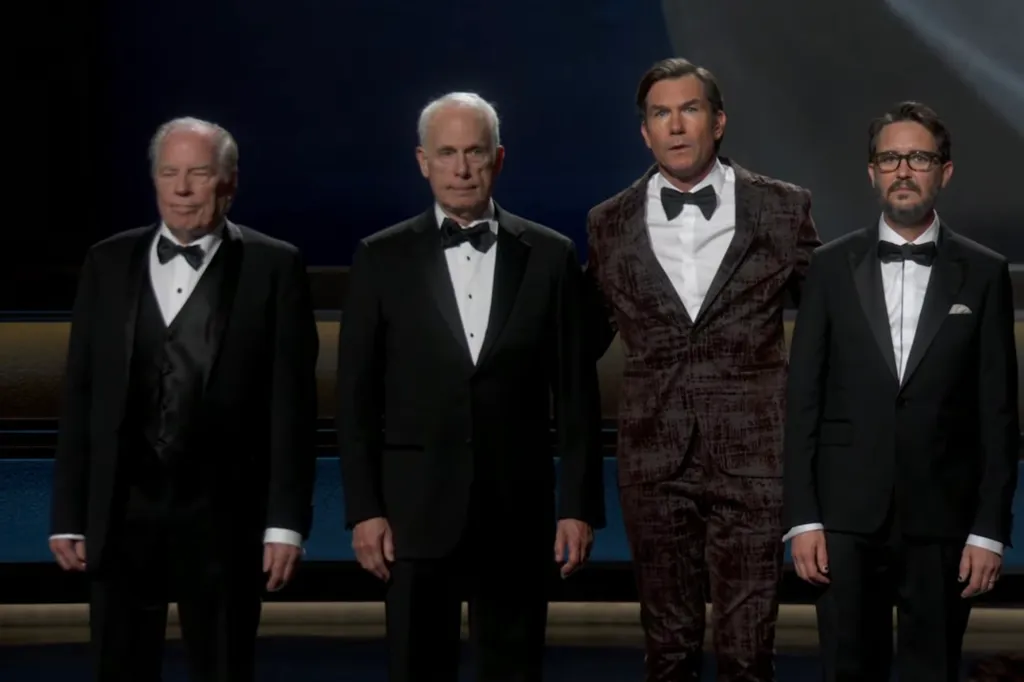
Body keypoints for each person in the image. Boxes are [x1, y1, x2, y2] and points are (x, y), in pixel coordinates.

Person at [336, 91, 605, 682]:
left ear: (498, 159)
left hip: (517, 513)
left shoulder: (550, 256)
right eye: (447, 153)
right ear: (422, 161)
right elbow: (356, 400)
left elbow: (577, 396)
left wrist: (577, 507)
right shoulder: (380, 257)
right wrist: (364, 511)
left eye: (475, 152)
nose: (461, 168)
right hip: (412, 517)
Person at [49, 117, 319, 682]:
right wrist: (68, 515)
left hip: (226, 517)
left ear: (230, 182)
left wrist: (284, 524)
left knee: (223, 666)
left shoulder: (275, 266)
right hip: (121, 512)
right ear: (153, 180)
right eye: (169, 173)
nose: (182, 188)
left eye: (198, 173)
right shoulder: (106, 262)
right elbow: (80, 396)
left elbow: (292, 409)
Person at [583, 58, 821, 681]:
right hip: (653, 461)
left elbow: (832, 325)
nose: (675, 125)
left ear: (717, 122)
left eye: (689, 110)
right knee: (668, 651)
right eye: (660, 114)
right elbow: (579, 339)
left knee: (748, 654)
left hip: (754, 459)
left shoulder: (782, 208)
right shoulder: (609, 223)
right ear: (645, 132)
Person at [783, 101, 1019, 681]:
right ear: (872, 172)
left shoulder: (985, 272)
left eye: (919, 158)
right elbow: (803, 400)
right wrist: (803, 519)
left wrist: (989, 530)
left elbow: (997, 414)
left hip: (943, 518)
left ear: (945, 171)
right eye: (890, 158)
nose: (904, 170)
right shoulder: (829, 267)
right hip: (844, 518)